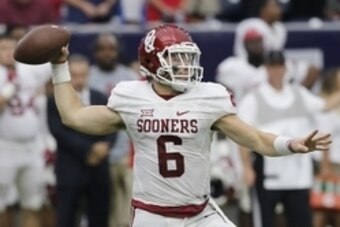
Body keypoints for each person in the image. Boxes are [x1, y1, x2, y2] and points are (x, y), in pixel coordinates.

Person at [50, 24, 331, 227]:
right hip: (154, 215)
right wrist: (59, 65)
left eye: (187, 57)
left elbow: (256, 139)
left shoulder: (208, 97)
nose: (185, 65)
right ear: (152, 60)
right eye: (176, 58)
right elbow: (74, 116)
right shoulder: (131, 97)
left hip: (200, 213)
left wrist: (290, 144)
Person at [238, 51, 340, 227]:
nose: (276, 71)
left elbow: (324, 106)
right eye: (272, 67)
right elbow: (243, 135)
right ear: (266, 69)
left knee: (300, 219)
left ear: (285, 68)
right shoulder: (254, 98)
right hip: (268, 168)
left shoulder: (298, 93)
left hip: (297, 172)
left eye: (279, 66)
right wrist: (247, 167)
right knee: (265, 220)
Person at [47, 55, 114, 227]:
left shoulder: (100, 97)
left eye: (83, 75)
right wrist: (89, 150)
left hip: (99, 168)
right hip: (70, 167)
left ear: (89, 74)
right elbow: (58, 131)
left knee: (99, 216)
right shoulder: (55, 99)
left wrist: (105, 147)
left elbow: (114, 126)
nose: (79, 80)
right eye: (74, 75)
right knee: (66, 216)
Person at [88, 33, 139, 227]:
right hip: (100, 151)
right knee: (103, 208)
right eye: (103, 49)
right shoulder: (89, 75)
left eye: (112, 49)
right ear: (95, 52)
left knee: (130, 209)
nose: (107, 53)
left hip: (128, 152)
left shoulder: (129, 76)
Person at [0, 34, 51, 227]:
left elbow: (55, 59)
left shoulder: (29, 70)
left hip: (32, 147)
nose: (8, 53)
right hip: (4, 148)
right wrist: (9, 88)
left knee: (33, 204)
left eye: (12, 48)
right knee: (2, 206)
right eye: (3, 48)